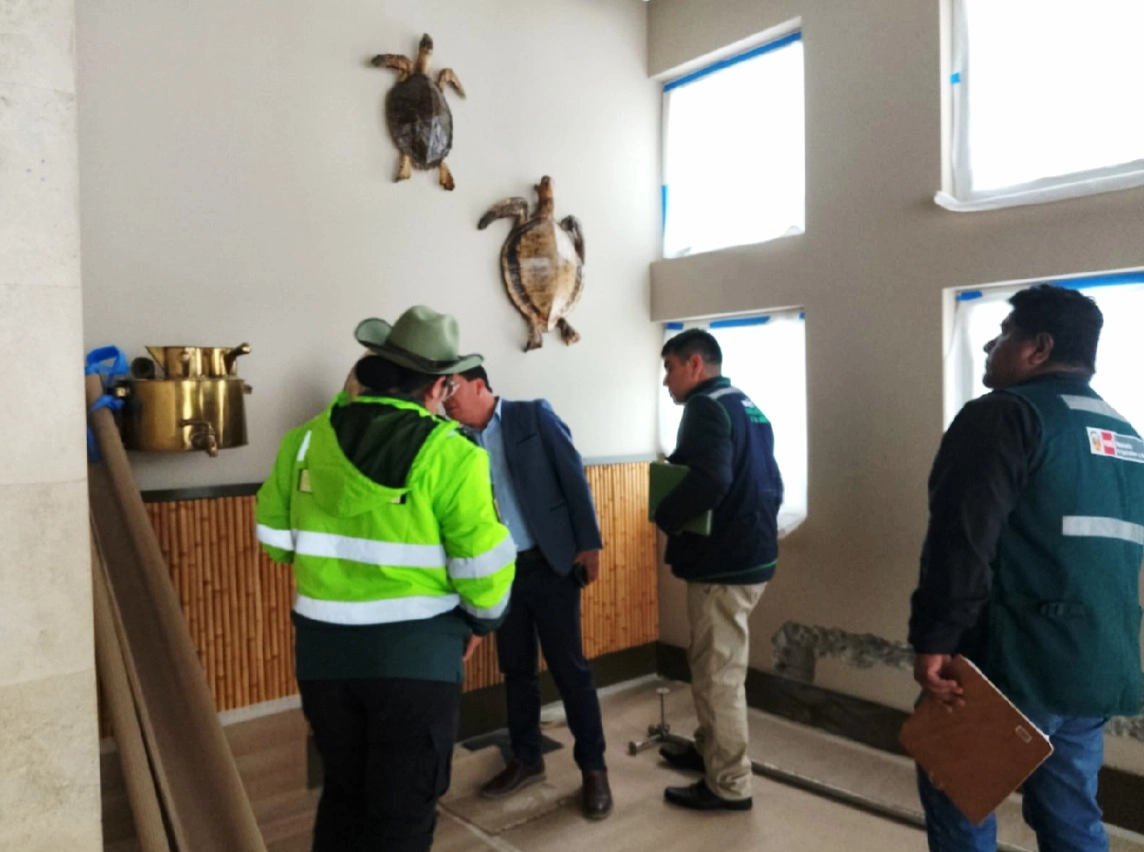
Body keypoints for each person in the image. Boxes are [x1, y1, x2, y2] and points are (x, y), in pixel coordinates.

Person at [255, 306, 516, 852]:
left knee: (343, 796)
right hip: (417, 662)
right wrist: (480, 623)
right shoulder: (452, 454)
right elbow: (484, 569)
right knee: (402, 814)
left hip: (323, 659)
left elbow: (275, 543)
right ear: (440, 386)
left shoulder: (304, 442)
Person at [909, 284, 1144, 851]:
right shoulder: (1126, 437)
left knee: (959, 800)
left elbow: (962, 540)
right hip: (1096, 663)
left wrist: (936, 638)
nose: (990, 345)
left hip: (1013, 663)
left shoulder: (1003, 416)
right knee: (1071, 816)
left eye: (1004, 334)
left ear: (1039, 348)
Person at [443, 366, 613, 820]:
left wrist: (590, 544)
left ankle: (593, 769)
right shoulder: (455, 440)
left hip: (551, 564)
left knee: (570, 669)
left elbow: (573, 476)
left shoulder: (532, 416)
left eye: (452, 387)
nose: (446, 398)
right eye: (442, 390)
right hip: (502, 573)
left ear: (480, 385)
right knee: (516, 669)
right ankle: (527, 757)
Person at [653, 329, 784, 812]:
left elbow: (711, 480)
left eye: (669, 368)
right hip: (752, 554)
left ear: (695, 364)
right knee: (715, 664)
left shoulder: (704, 408)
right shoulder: (748, 405)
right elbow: (773, 482)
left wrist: (666, 515)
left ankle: (729, 784)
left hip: (723, 564)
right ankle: (709, 749)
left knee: (717, 675)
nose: (666, 381)